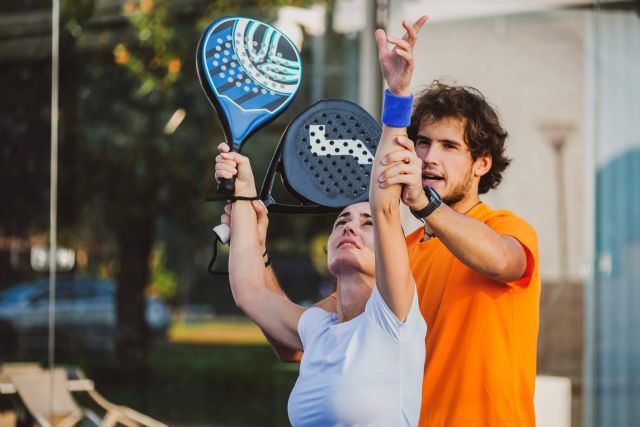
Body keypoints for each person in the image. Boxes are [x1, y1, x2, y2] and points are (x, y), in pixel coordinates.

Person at [261, 16, 541, 427]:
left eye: (449, 146)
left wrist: (425, 207)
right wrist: (250, 230)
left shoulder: (506, 227)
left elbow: (502, 261)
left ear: (482, 163)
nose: (429, 157)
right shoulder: (397, 257)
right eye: (423, 142)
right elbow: (297, 337)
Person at [213, 17, 429, 425]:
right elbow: (250, 291)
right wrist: (243, 188)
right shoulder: (319, 330)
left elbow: (384, 204)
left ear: (390, 248)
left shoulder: (394, 320)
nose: (349, 225)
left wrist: (397, 96)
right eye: (341, 221)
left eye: (366, 225)